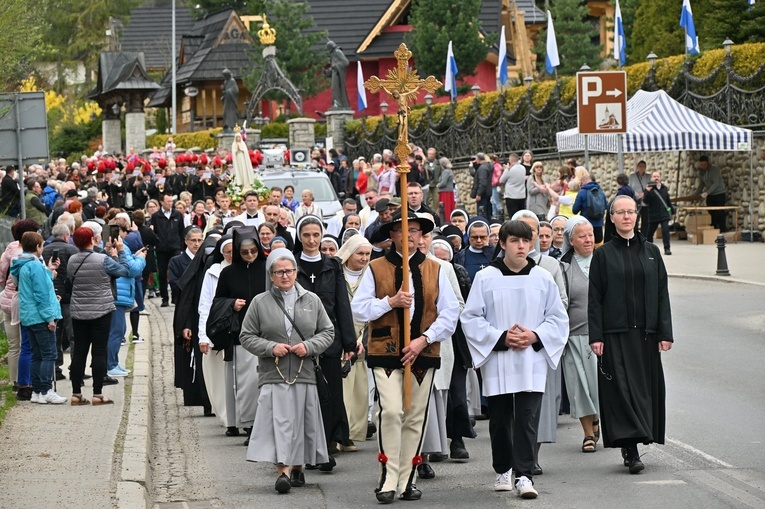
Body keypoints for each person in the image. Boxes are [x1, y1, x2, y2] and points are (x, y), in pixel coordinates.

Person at [351, 211, 459, 503]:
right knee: (391, 411)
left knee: (414, 416)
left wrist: (424, 340)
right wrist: (390, 302)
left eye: (415, 230)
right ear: (393, 236)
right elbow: (358, 308)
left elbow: (450, 313)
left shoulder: (436, 268)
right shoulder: (376, 268)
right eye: (403, 230)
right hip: (386, 352)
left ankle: (406, 479)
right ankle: (387, 477)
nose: (410, 235)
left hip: (423, 353)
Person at [461, 220, 568, 499]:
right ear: (503, 244)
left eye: (526, 242)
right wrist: (500, 338)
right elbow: (471, 317)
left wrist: (534, 336)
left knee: (527, 418)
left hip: (531, 359)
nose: (521, 247)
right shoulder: (486, 277)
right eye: (514, 241)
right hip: (499, 357)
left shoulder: (542, 278)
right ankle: (502, 470)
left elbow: (558, 318)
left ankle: (524, 475)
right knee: (500, 418)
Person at [589, 195, 674, 474]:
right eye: (620, 212)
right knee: (622, 391)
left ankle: (639, 439)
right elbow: (596, 299)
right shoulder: (602, 255)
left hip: (647, 335)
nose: (626, 217)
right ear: (611, 218)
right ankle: (631, 448)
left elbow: (662, 294)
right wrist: (596, 336)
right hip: (616, 334)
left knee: (645, 390)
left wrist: (665, 332)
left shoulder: (651, 251)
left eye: (631, 212)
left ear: (637, 216)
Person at [240, 248, 334, 493]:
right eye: (279, 272)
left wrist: (309, 346)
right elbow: (246, 336)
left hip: (304, 373)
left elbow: (328, 332)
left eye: (289, 271)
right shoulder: (259, 302)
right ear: (271, 276)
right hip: (274, 374)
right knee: (279, 423)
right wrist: (271, 347)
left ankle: (299, 467)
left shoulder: (312, 300)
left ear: (296, 272)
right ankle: (282, 471)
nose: (285, 276)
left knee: (302, 422)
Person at [295, 215, 358, 468]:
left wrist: (349, 344)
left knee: (329, 395)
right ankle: (305, 448)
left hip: (329, 340)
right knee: (303, 398)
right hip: (298, 342)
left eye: (316, 235)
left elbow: (342, 304)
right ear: (300, 237)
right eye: (307, 235)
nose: (312, 240)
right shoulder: (291, 264)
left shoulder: (332, 265)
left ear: (322, 236)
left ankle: (325, 447)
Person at [68, 226, 141, 405]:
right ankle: (98, 393)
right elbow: (124, 270)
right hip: (101, 311)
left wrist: (110, 254)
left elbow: (72, 279)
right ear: (93, 239)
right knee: (99, 351)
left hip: (79, 311)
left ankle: (76, 394)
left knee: (79, 352)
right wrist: (120, 252)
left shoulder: (72, 260)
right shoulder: (102, 260)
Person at [214, 227, 267, 443]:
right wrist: (231, 305)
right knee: (245, 382)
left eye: (254, 251)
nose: (250, 256)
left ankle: (263, 424)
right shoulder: (228, 273)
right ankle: (249, 424)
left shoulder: (267, 269)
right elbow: (217, 302)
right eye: (245, 253)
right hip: (241, 334)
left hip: (267, 333)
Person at [559, 216, 601, 453]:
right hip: (573, 335)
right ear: (571, 240)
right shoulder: (563, 266)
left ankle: (597, 417)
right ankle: (588, 433)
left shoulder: (604, 260)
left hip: (602, 337)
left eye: (591, 235)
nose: (588, 239)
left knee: (598, 386)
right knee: (579, 387)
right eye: (582, 236)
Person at [11, 232, 64, 404]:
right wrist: (50, 318)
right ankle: (46, 390)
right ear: (37, 247)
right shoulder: (35, 266)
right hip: (41, 317)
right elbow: (41, 294)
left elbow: (32, 285)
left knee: (36, 355)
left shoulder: (24, 265)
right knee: (49, 354)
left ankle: (36, 392)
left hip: (28, 316)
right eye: (41, 245)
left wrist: (48, 271)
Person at [174, 233, 219, 416]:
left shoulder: (217, 272)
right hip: (197, 324)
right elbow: (185, 304)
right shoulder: (194, 273)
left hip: (217, 324)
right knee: (201, 367)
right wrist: (186, 325)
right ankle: (206, 402)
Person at [198, 234, 238, 435]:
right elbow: (205, 306)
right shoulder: (213, 272)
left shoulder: (243, 270)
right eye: (227, 252)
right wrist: (203, 336)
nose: (231, 255)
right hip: (218, 329)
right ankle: (227, 417)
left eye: (234, 251)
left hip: (239, 330)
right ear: (221, 253)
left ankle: (243, 417)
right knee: (220, 378)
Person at [336, 235, 373, 444]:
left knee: (361, 388)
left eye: (368, 254)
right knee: (342, 390)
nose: (364, 258)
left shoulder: (371, 275)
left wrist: (361, 338)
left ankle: (354, 432)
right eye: (360, 253)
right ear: (349, 253)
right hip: (341, 335)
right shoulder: (337, 274)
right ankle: (341, 433)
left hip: (364, 338)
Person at [0, 219, 42, 400]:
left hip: (7, 300)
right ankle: (25, 380)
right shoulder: (29, 254)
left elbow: (2, 274)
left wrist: (6, 288)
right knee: (27, 344)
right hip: (22, 302)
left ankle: (14, 381)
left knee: (13, 344)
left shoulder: (9, 249)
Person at [106, 219, 146, 377]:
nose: (127, 235)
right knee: (116, 331)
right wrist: (141, 258)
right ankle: (111, 365)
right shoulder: (122, 248)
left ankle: (114, 362)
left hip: (119, 293)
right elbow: (131, 269)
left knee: (119, 330)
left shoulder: (123, 248)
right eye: (126, 231)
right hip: (118, 295)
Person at [42, 224, 80, 380]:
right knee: (73, 335)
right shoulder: (72, 250)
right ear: (66, 236)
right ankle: (75, 368)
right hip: (69, 297)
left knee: (55, 335)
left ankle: (55, 369)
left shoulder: (44, 250)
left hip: (51, 297)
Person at [152, 194, 186, 307]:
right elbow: (154, 232)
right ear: (161, 202)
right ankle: (164, 298)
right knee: (162, 274)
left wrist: (182, 247)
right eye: (167, 201)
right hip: (162, 249)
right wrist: (157, 244)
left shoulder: (177, 215)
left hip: (175, 247)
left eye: (171, 201)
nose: (170, 204)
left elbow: (182, 232)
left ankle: (175, 297)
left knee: (175, 273)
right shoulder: (156, 216)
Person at [643, 171, 675, 255]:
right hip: (653, 215)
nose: (656, 178)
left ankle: (667, 248)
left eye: (658, 176)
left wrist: (673, 212)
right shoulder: (649, 188)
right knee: (650, 233)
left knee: (665, 231)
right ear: (651, 178)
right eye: (654, 177)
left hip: (664, 214)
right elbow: (645, 201)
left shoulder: (664, 188)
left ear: (660, 178)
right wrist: (647, 191)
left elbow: (668, 201)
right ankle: (649, 249)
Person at [572, 168, 606, 244]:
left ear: (582, 181)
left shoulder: (582, 192)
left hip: (586, 225)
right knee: (598, 248)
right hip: (599, 225)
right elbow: (605, 206)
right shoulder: (600, 191)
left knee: (586, 247)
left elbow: (575, 210)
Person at [695, 155, 727, 232]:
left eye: (704, 164)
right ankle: (713, 229)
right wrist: (696, 194)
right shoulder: (701, 173)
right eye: (701, 165)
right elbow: (701, 184)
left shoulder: (714, 170)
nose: (703, 166)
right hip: (711, 195)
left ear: (707, 163)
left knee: (720, 212)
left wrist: (706, 192)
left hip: (719, 193)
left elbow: (715, 184)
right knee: (711, 212)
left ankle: (722, 229)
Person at [629, 161, 652, 237]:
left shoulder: (649, 177)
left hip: (645, 202)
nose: (642, 168)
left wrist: (644, 193)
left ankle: (643, 237)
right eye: (640, 166)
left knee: (645, 221)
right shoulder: (632, 177)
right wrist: (637, 195)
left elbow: (651, 188)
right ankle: (635, 236)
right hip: (635, 202)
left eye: (643, 166)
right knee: (635, 220)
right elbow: (630, 188)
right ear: (637, 167)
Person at [500, 154, 527, 219]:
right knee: (521, 215)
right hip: (521, 195)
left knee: (513, 215)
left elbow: (501, 180)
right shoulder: (523, 168)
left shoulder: (510, 169)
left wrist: (506, 169)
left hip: (511, 195)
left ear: (511, 160)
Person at [470, 153, 493, 219]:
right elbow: (476, 173)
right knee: (487, 211)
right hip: (487, 192)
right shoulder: (486, 166)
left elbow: (482, 182)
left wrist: (479, 193)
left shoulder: (482, 168)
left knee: (482, 212)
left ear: (478, 159)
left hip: (483, 194)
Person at [437, 157, 455, 221]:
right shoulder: (449, 171)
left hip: (445, 192)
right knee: (449, 207)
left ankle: (446, 221)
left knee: (445, 208)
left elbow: (443, 182)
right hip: (449, 192)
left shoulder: (445, 172)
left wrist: (437, 186)